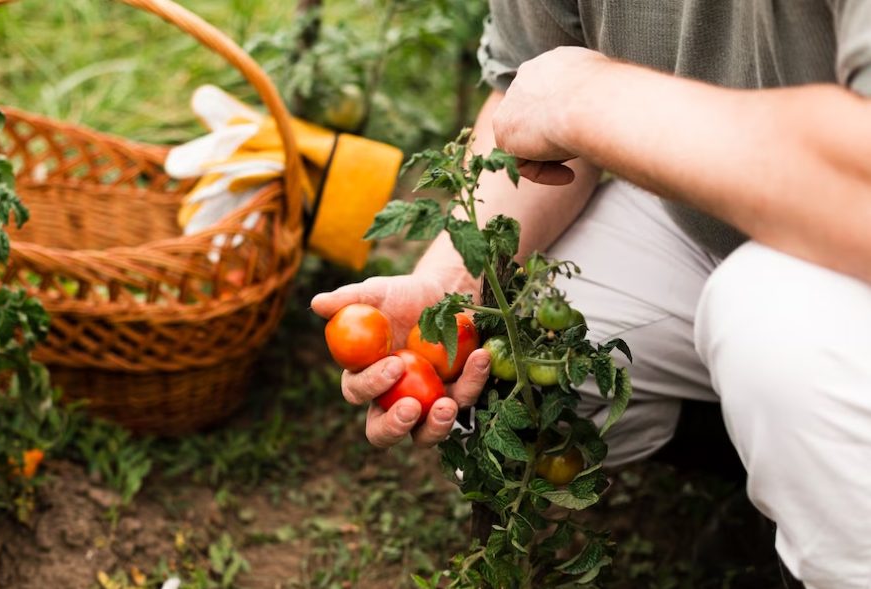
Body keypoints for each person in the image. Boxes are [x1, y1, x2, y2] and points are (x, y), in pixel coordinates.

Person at [311, 3, 871, 588]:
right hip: (695, 215)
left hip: (848, 251)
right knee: (501, 390)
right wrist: (449, 288)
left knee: (774, 322)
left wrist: (586, 98)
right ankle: (773, 472)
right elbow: (527, 99)